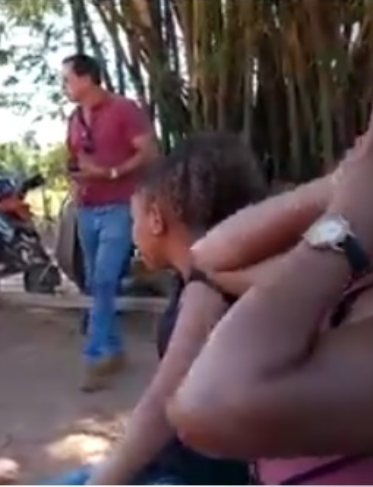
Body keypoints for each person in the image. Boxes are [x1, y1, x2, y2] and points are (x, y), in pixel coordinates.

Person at [168, 91, 373, 483]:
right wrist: (346, 184)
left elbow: (209, 403)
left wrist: (352, 221)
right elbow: (211, 255)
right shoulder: (363, 271)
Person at [51, 133, 267, 484]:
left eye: (133, 219)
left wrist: (103, 482)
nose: (133, 233)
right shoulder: (217, 275)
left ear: (155, 219)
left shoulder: (205, 292)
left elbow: (161, 405)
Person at [62, 53, 159, 392]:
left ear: (87, 78)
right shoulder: (75, 118)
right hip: (87, 207)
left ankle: (94, 356)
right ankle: (114, 349)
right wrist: (76, 176)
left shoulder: (124, 110)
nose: (64, 86)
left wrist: (112, 172)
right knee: (95, 280)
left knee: (104, 278)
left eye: (68, 79)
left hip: (120, 205)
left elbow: (149, 152)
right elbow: (74, 157)